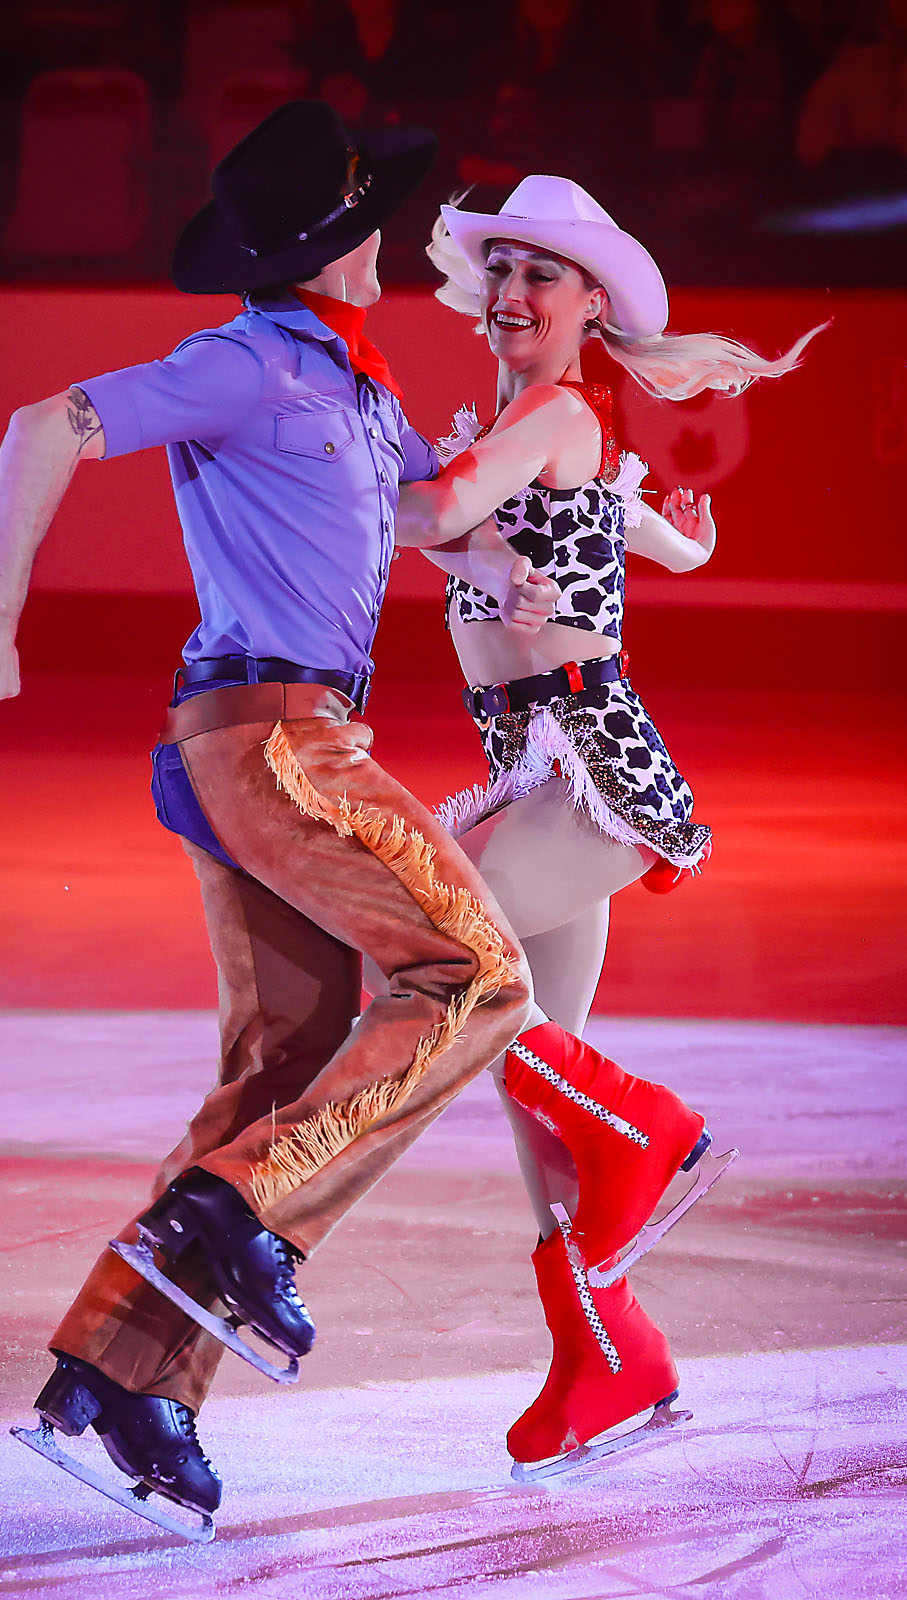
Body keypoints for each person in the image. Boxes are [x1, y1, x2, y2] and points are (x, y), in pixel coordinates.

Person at [0, 100, 578, 1533]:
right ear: (337, 243)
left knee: (283, 1054)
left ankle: (119, 1373)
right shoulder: (239, 366)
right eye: (372, 219)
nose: (388, 242)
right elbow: (42, 425)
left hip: (284, 736)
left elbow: (422, 513)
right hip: (274, 737)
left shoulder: (357, 391)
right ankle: (239, 1219)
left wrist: (515, 571)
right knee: (475, 976)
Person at [392, 174, 822, 1474]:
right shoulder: (545, 430)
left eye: (543, 275)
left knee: (427, 943)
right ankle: (607, 1354)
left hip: (593, 769)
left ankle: (653, 1130)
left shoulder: (548, 420)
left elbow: (430, 510)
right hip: (536, 772)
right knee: (538, 1082)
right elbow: (640, 537)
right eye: (503, 272)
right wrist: (680, 544)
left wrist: (344, 462)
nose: (515, 294)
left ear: (589, 305)